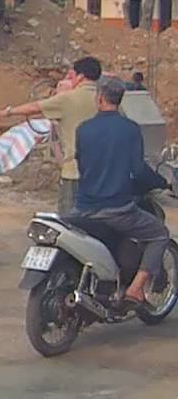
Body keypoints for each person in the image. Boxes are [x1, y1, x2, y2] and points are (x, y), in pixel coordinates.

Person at [73, 76, 171, 308]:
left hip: (83, 208)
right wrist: (160, 182)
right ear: (120, 100)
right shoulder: (130, 129)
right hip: (117, 210)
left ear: (99, 98)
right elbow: (138, 170)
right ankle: (135, 290)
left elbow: (82, 166)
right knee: (160, 234)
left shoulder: (83, 129)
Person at [0, 57, 103, 214]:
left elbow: (34, 107)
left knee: (69, 220)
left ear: (80, 76)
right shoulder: (106, 100)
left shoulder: (67, 99)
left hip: (74, 172)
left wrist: (7, 112)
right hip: (102, 173)